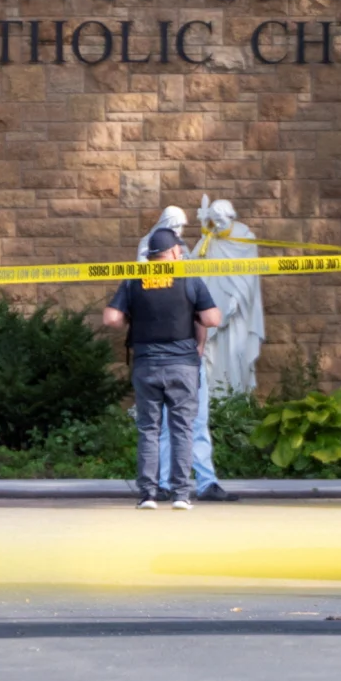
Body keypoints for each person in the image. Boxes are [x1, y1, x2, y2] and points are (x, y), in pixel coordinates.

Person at [104, 228, 222, 510]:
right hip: (182, 365)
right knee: (182, 428)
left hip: (146, 366)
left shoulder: (134, 280)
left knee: (149, 429)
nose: (181, 253)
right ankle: (181, 494)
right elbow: (212, 318)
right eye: (178, 250)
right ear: (170, 253)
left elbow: (111, 318)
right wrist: (194, 312)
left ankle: (148, 494)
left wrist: (130, 318)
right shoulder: (187, 278)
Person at [137, 207, 239, 503]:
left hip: (188, 358)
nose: (181, 240)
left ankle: (206, 482)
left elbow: (202, 313)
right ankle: (166, 483)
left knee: (197, 421)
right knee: (167, 425)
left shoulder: (187, 269)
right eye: (176, 230)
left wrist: (201, 346)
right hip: (162, 359)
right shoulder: (147, 262)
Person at [193, 195, 266, 393]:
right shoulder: (211, 239)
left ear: (230, 217)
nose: (216, 225)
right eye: (214, 221)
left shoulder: (244, 238)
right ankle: (214, 398)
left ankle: (235, 396)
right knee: (212, 354)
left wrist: (237, 297)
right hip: (213, 308)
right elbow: (194, 267)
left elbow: (249, 276)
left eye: (221, 221)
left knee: (236, 354)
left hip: (237, 310)